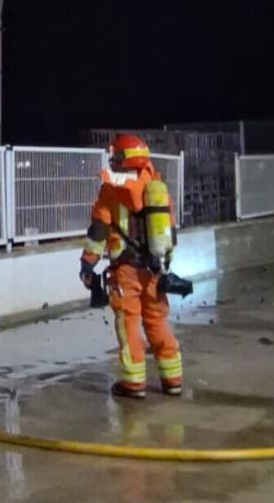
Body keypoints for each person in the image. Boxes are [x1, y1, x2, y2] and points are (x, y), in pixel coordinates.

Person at [80, 133, 183, 399]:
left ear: (122, 158)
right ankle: (173, 380)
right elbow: (169, 231)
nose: (112, 160)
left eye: (115, 155)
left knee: (129, 324)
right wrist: (163, 263)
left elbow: (98, 231)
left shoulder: (110, 190)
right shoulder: (156, 186)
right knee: (157, 320)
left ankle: (134, 384)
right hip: (155, 269)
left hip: (125, 270)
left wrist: (87, 264)